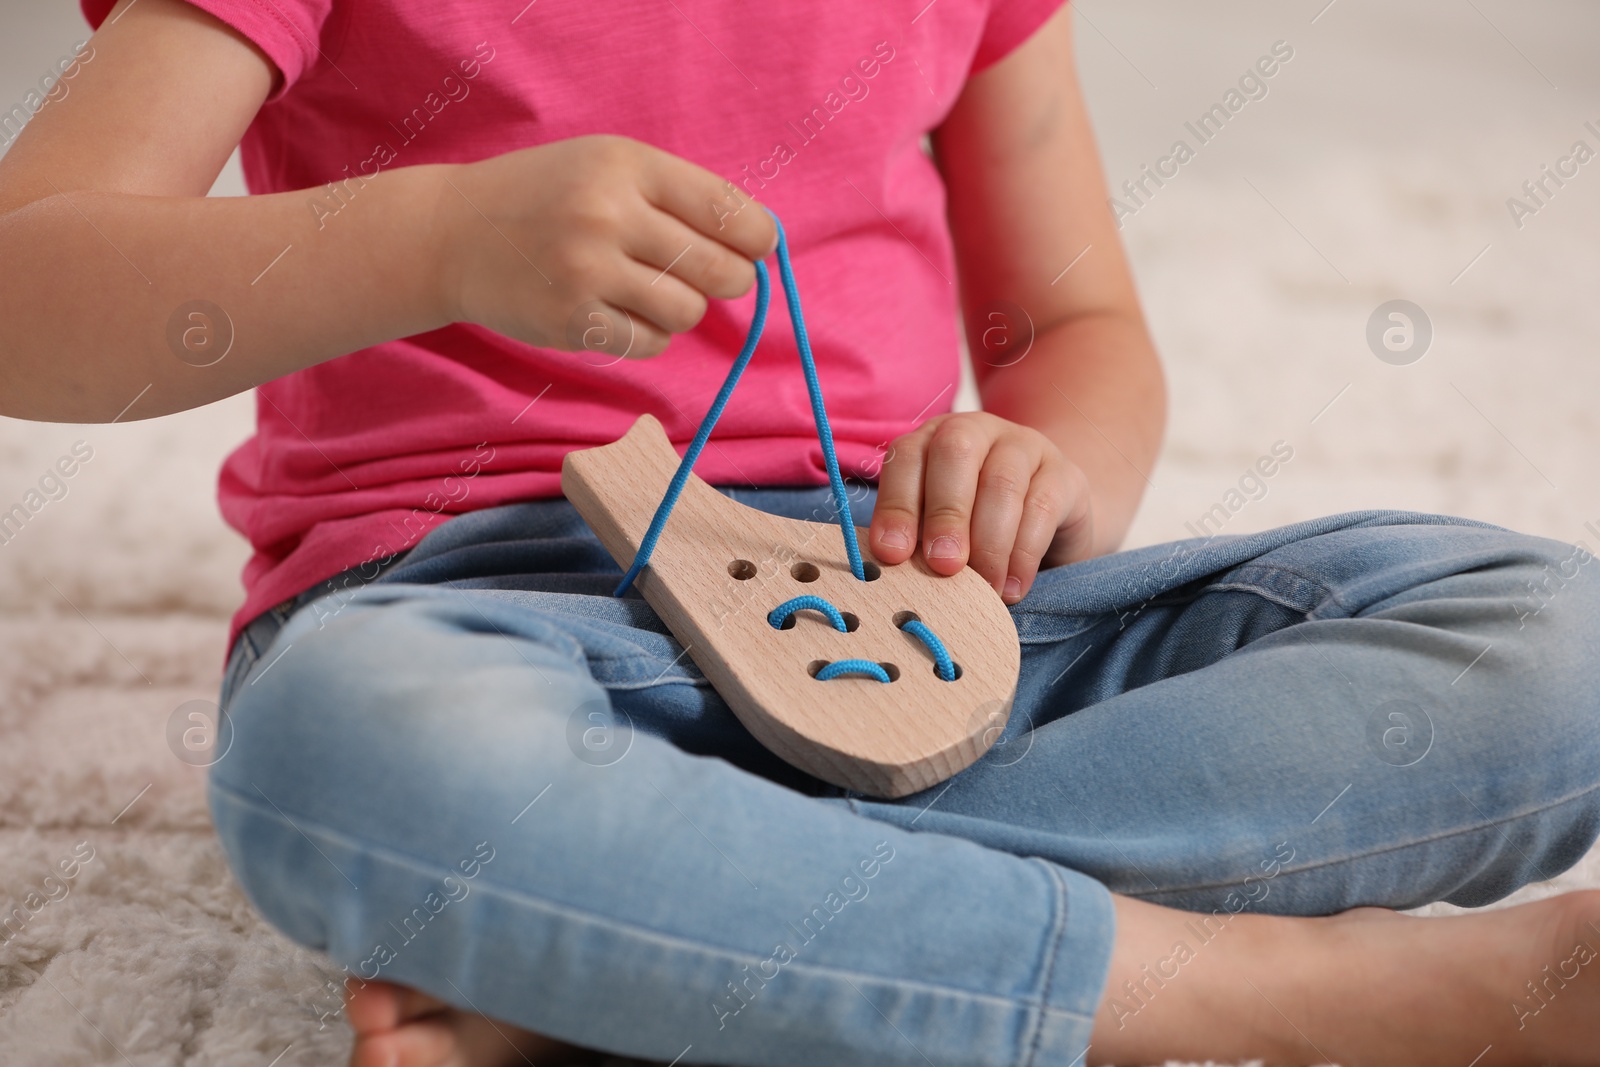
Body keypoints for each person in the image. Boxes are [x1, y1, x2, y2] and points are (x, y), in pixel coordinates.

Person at [2, 0, 1597, 1063]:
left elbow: (1072, 325)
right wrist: (439, 237)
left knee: (1557, 645)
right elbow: (31, 288)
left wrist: (1036, 466)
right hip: (492, 617)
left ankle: (645, 939)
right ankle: (1297, 998)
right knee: (338, 749)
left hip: (920, 613)